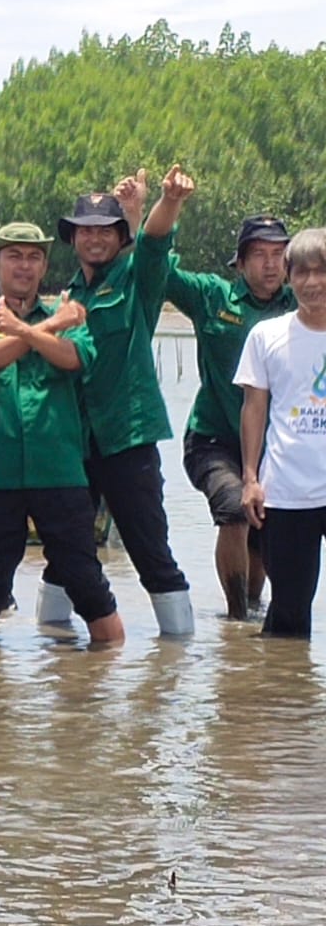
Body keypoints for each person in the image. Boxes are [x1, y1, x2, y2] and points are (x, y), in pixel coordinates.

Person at [0, 224, 125, 644]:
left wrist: (29, 329)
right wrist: (48, 326)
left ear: (45, 266)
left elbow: (75, 358)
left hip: (60, 472)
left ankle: (116, 687)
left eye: (34, 257)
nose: (24, 266)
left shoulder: (70, 316)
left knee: (86, 582)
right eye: (14, 256)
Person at [45, 166, 195, 635]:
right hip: (77, 443)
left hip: (128, 440)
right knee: (64, 552)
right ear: (73, 238)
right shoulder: (69, 295)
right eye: (85, 230)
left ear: (118, 235)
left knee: (150, 551)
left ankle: (178, 654)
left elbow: (154, 244)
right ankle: (51, 642)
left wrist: (167, 201)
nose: (94, 239)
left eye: (105, 231)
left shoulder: (137, 281)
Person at [165, 214, 295, 618]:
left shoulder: (303, 305)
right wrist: (156, 214)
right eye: (259, 255)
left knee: (263, 532)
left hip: (277, 445)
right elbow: (160, 272)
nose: (270, 264)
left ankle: (253, 610)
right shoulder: (213, 297)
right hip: (213, 440)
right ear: (239, 263)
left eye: (279, 255)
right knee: (234, 509)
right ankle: (237, 618)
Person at [236, 228, 326, 638]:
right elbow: (254, 408)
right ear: (290, 278)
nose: (313, 283)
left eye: (322, 272)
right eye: (302, 272)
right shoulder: (266, 336)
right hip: (288, 493)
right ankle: (283, 697)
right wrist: (251, 479)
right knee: (289, 613)